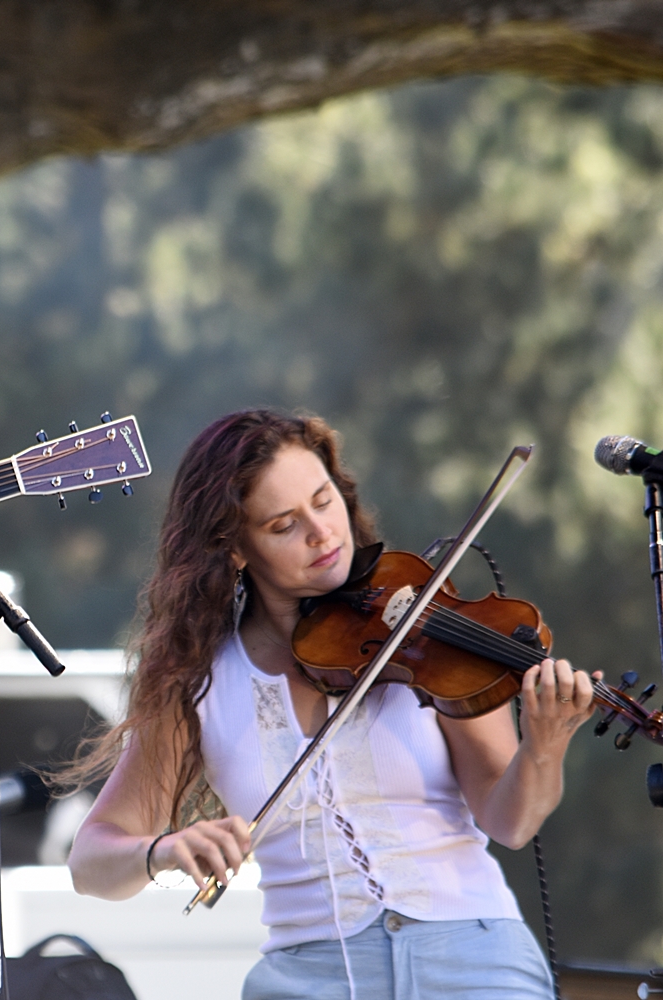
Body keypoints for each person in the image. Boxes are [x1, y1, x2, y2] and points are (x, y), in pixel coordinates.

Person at [66, 409, 596, 999]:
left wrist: (545, 745)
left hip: (473, 960)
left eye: (324, 501)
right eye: (283, 525)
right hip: (307, 978)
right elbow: (90, 862)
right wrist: (160, 850)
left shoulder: (429, 628)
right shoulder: (197, 683)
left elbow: (510, 821)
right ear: (234, 548)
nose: (321, 533)